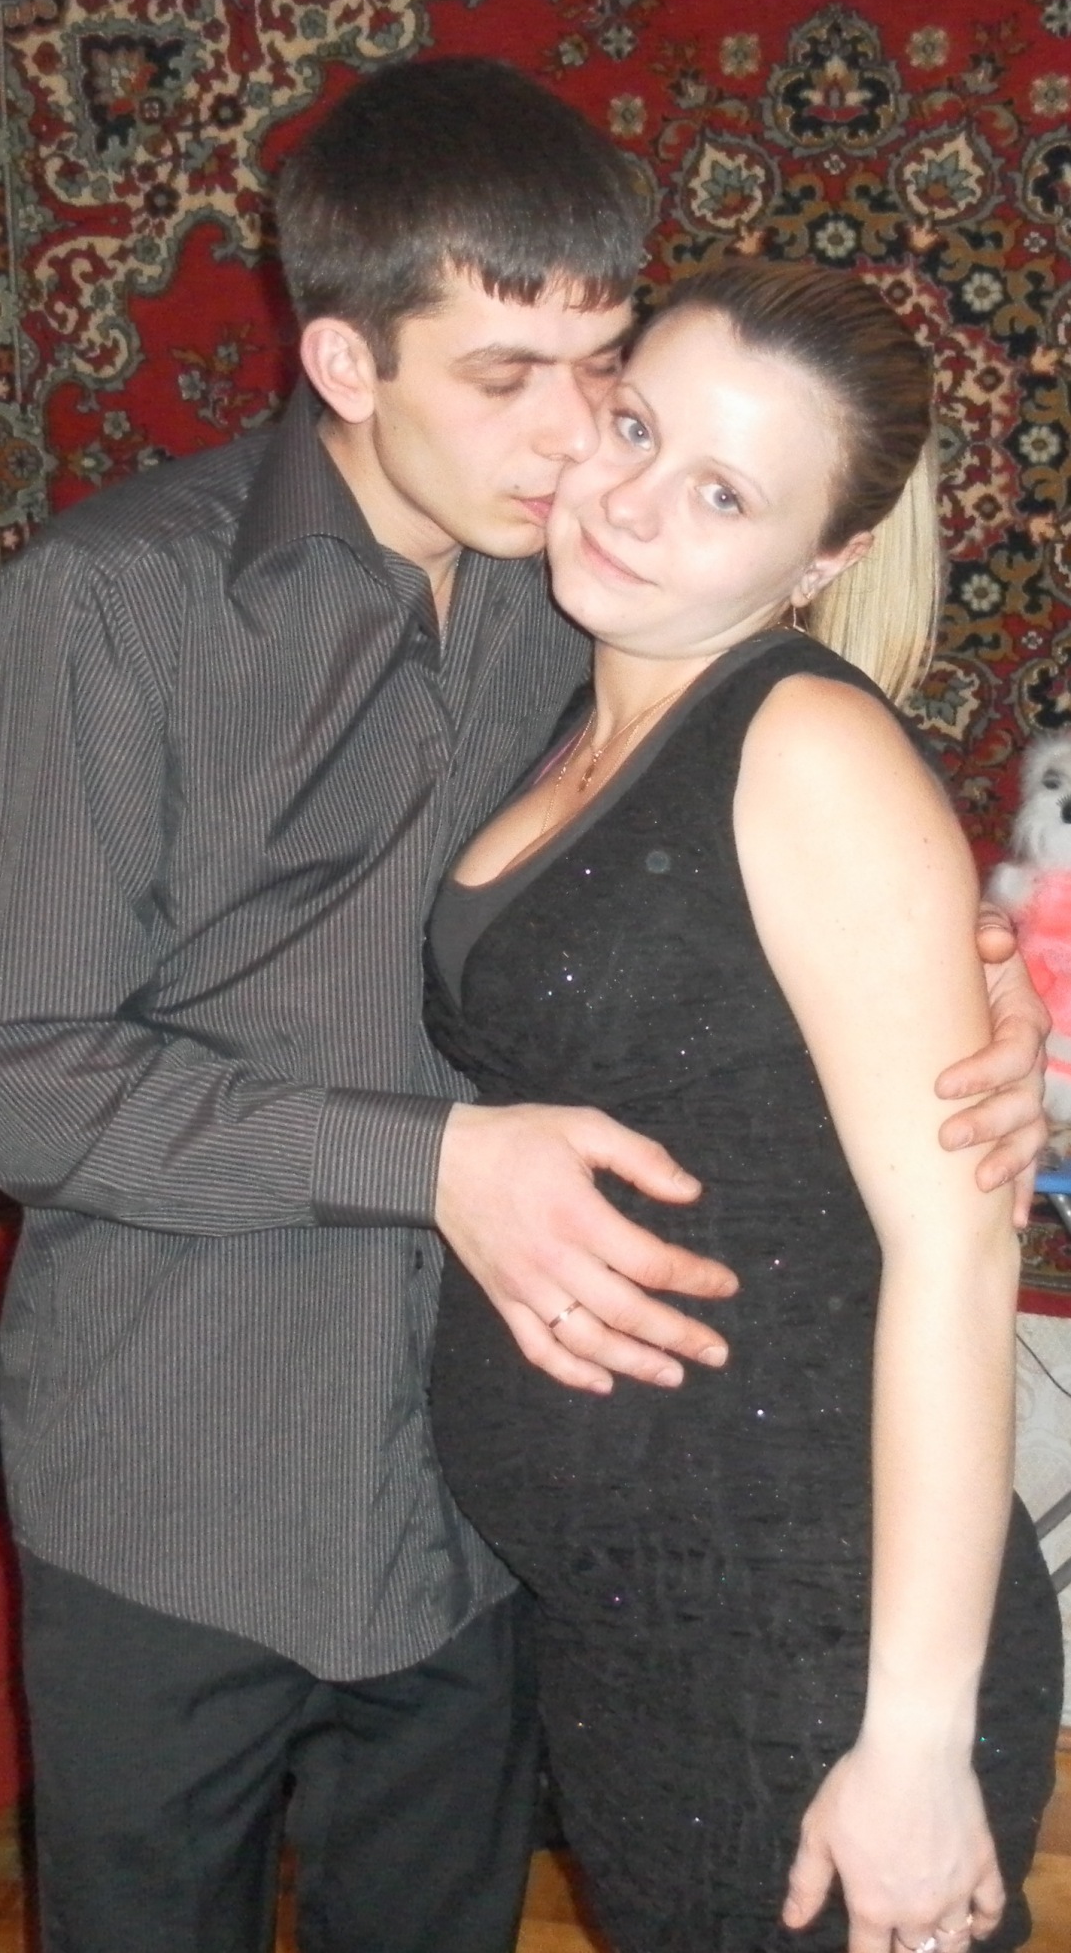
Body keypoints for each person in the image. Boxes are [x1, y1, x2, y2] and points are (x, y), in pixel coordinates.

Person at [0, 57, 1046, 1953]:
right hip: (183, 1486)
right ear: (346, 363)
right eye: (505, 378)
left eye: (601, 374)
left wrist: (984, 1013)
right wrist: (431, 1158)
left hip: (478, 1538)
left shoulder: (604, 589)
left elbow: (768, 898)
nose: (573, 445)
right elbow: (14, 1077)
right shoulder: (107, 608)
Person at [426, 260, 1063, 1953]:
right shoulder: (567, 696)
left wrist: (910, 1744)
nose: (632, 502)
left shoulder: (800, 748)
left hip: (802, 1633)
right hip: (634, 1619)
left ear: (823, 558)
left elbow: (956, 1253)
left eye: (723, 493)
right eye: (636, 427)